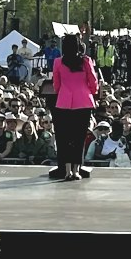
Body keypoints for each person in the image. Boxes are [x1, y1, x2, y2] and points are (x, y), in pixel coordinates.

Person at [49, 34, 99, 183]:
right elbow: (93, 81)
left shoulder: (58, 62)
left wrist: (62, 93)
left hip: (63, 103)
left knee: (64, 138)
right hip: (83, 102)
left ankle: (67, 170)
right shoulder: (86, 61)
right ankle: (76, 170)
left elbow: (56, 84)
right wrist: (91, 91)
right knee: (79, 138)